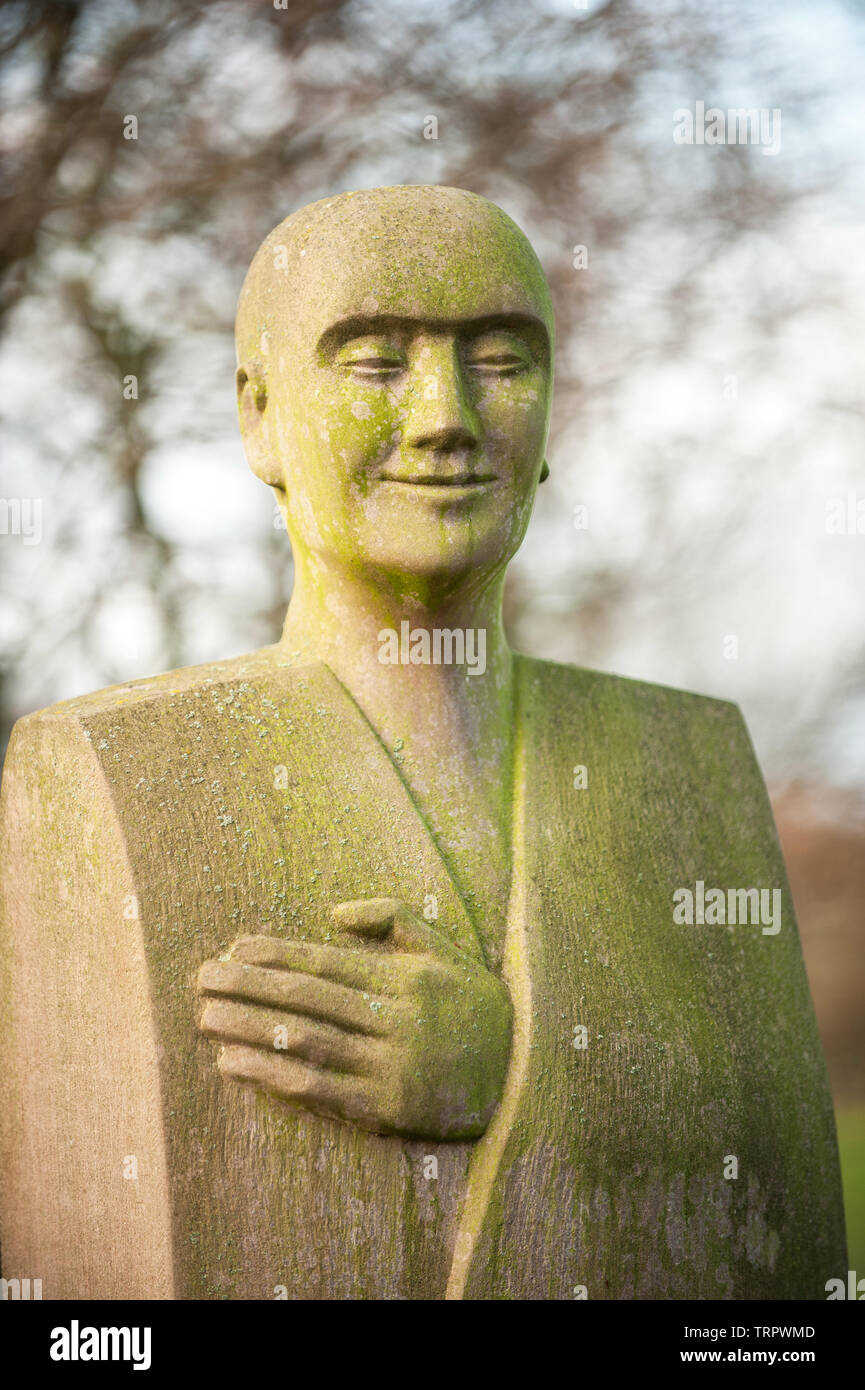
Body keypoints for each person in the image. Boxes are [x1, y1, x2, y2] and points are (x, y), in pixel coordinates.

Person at [0, 186, 846, 1299]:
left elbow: (787, 1210)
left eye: (500, 360)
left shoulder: (688, 762)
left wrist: (518, 1071)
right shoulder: (108, 764)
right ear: (259, 417)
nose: (447, 416)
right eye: (373, 363)